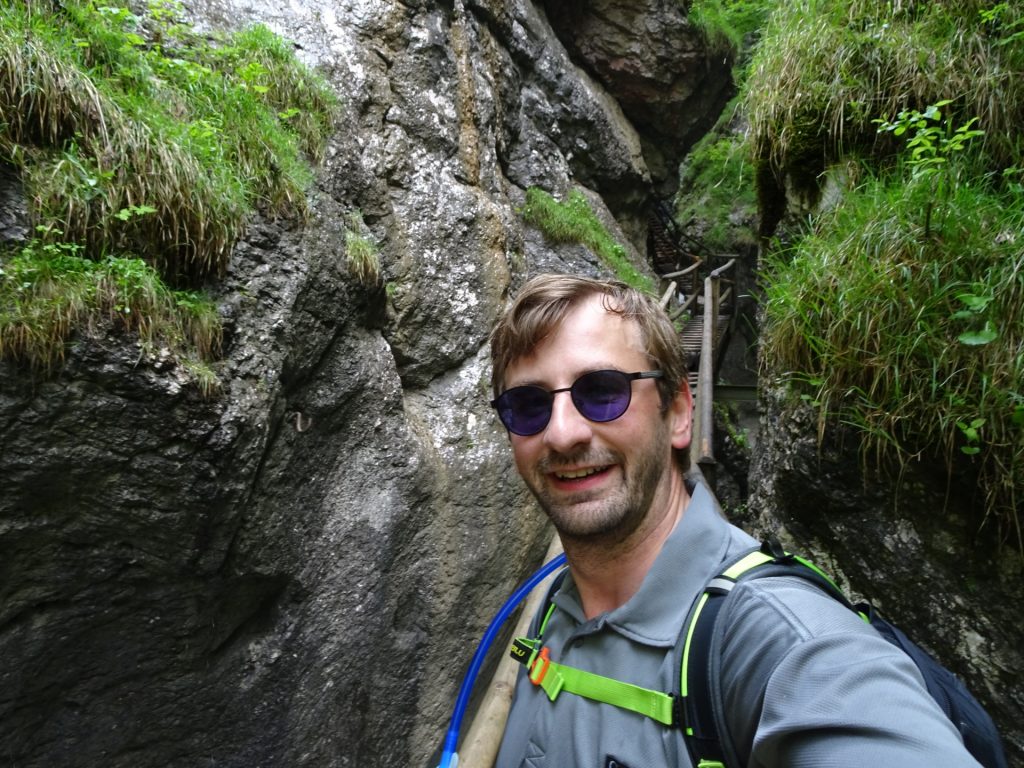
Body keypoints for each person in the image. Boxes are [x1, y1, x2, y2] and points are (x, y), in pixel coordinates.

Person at [487, 273, 981, 768]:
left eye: (602, 391)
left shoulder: (780, 644)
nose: (561, 433)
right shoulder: (556, 603)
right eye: (528, 406)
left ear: (679, 412)